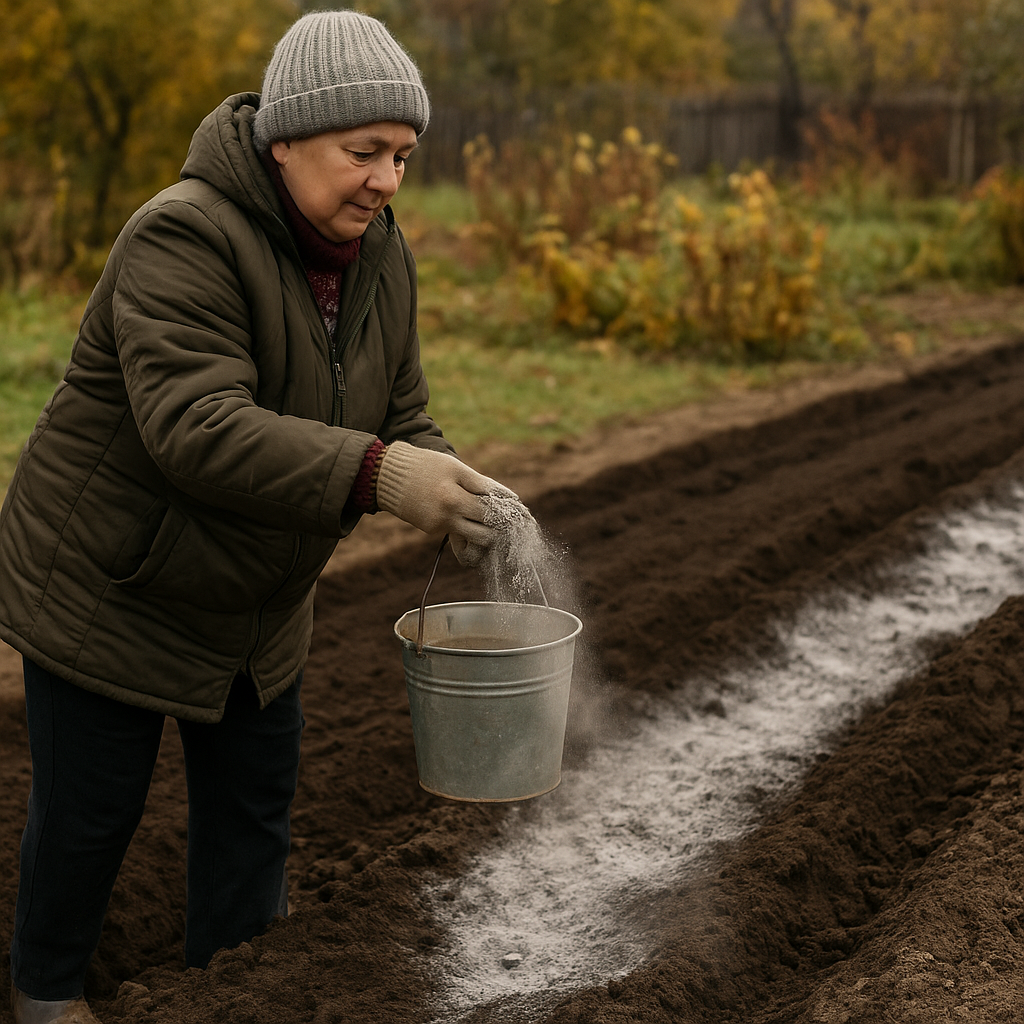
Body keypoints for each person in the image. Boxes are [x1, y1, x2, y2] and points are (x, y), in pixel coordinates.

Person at [0, 11, 518, 1023]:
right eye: (361, 152)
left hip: (256, 600)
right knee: (89, 816)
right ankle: (46, 997)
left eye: (403, 157)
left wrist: (450, 479)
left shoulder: (379, 254)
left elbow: (400, 413)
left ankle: (228, 996)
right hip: (114, 583)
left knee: (252, 815)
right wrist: (381, 476)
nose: (385, 181)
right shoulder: (183, 234)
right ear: (283, 139)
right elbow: (194, 425)